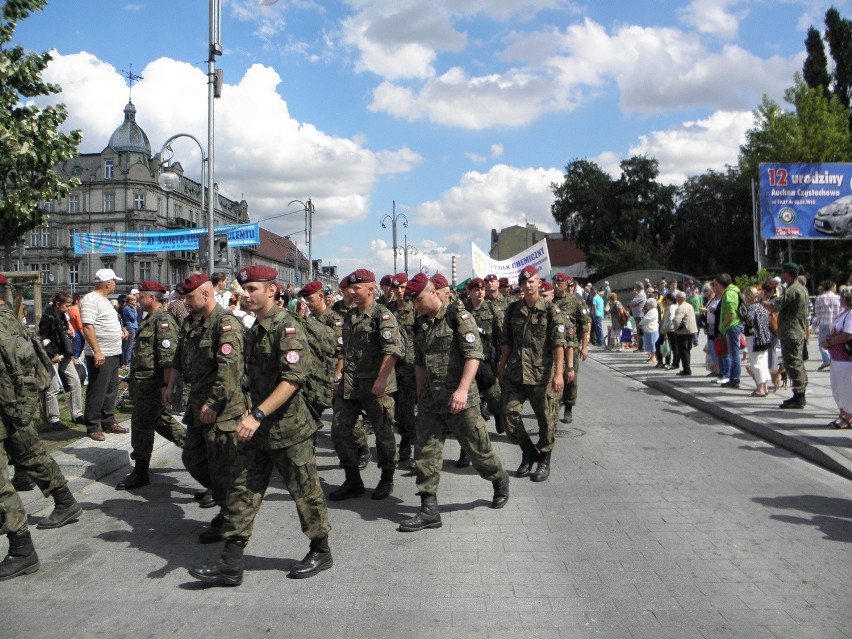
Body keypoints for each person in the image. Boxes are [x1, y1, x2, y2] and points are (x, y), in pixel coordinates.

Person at [190, 266, 332, 585]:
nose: (245, 294)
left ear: (272, 290)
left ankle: (321, 549)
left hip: (290, 427)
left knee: (304, 491)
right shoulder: (255, 329)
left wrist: (256, 415)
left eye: (252, 288)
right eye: (243, 288)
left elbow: (293, 379)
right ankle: (231, 561)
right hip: (261, 428)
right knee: (243, 489)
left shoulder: (288, 327)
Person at [397, 274, 509, 532]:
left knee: (479, 451)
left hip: (461, 399)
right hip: (430, 401)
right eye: (413, 302)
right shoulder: (420, 324)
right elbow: (419, 363)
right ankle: (429, 510)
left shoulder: (459, 317)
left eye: (419, 299)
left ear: (434, 292)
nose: (416, 306)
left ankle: (499, 479)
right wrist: (418, 394)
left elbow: (473, 355)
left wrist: (461, 390)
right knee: (425, 452)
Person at [0, 274, 83, 581]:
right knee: (32, 456)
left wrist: (16, 411)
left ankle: (21, 550)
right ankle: (66, 501)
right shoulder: (10, 319)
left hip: (8, 408)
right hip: (13, 408)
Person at [163, 274, 248, 543]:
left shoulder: (225, 325)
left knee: (223, 465)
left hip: (222, 410)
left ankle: (231, 519)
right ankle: (229, 503)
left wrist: (214, 403)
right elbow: (179, 358)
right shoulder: (191, 323)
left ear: (206, 294)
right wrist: (170, 385)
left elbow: (229, 372)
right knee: (193, 458)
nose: (185, 302)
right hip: (198, 405)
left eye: (189, 297)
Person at [328, 269, 404, 501]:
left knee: (383, 435)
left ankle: (386, 478)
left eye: (356, 288)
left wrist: (381, 379)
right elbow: (345, 351)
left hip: (375, 387)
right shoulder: (350, 316)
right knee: (339, 431)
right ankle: (353, 480)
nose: (351, 292)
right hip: (350, 386)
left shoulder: (382, 316)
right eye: (350, 288)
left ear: (370, 290)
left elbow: (392, 350)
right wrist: (338, 377)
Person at [499, 266, 568, 483]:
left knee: (546, 421)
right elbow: (507, 340)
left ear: (539, 283)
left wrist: (559, 374)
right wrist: (502, 363)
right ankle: (528, 451)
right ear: (520, 284)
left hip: (542, 375)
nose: (528, 285)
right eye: (524, 282)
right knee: (508, 414)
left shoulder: (551, 311)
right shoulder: (512, 310)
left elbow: (559, 344)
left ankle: (544, 458)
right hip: (516, 373)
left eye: (532, 282)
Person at [116, 281, 186, 490]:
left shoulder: (163, 321)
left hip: (153, 385)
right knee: (164, 423)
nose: (138, 299)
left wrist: (166, 385)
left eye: (142, 296)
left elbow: (168, 357)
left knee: (141, 426)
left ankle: (140, 472)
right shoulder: (150, 319)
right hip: (145, 384)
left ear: (152, 298)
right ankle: (197, 449)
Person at [79, 269, 129, 441]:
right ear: (108, 283)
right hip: (101, 352)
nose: (115, 284)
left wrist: (120, 330)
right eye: (114, 281)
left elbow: (107, 321)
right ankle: (93, 425)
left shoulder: (104, 300)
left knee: (111, 388)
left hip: (113, 351)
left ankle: (108, 420)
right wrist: (97, 350)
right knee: (98, 389)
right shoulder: (91, 299)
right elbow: (87, 326)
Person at [463, 277, 506, 440]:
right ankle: (471, 441)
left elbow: (501, 336)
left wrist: (502, 360)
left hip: (488, 360)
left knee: (493, 395)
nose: (480, 292)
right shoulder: (464, 310)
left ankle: (498, 414)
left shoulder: (492, 309)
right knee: (472, 398)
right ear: (470, 292)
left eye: (482, 289)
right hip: (469, 359)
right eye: (476, 290)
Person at [385, 274, 417, 465]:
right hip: (391, 366)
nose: (400, 291)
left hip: (410, 366)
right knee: (394, 408)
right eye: (396, 288)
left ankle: (406, 441)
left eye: (403, 287)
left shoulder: (415, 308)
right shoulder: (388, 310)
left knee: (406, 408)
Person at [39, 291, 83, 427]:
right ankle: (54, 418)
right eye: (67, 305)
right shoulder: (47, 317)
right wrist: (52, 354)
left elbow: (61, 331)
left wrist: (68, 332)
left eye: (70, 305)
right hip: (53, 355)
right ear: (58, 304)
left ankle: (77, 413)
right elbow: (43, 337)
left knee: (75, 380)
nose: (69, 308)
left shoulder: (63, 316)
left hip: (64, 352)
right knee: (54, 386)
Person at [552, 273, 588, 425]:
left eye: (560, 283)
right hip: (554, 346)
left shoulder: (576, 301)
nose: (556, 285)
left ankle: (568, 406)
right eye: (555, 282)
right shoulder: (549, 300)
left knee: (570, 377)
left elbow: (584, 325)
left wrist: (585, 347)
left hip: (571, 345)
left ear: (567, 284)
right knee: (553, 375)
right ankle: (553, 406)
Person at [774, 262, 810, 409]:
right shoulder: (800, 288)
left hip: (791, 332)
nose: (782, 275)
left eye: (783, 273)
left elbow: (776, 305)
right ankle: (798, 394)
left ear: (787, 274)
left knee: (792, 363)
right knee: (796, 363)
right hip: (796, 331)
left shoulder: (792, 289)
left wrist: (762, 301)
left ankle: (799, 396)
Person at [822, 288, 852, 428]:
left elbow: (848, 335)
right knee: (837, 387)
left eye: (842, 297)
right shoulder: (843, 313)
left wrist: (830, 342)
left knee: (846, 388)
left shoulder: (851, 314)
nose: (839, 299)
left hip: (846, 358)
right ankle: (842, 414)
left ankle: (849, 416)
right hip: (836, 357)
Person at [716, 273, 744, 389]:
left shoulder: (729, 294)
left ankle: (734, 379)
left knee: (734, 355)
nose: (717, 287)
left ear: (722, 284)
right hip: (735, 325)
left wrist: (722, 325)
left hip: (732, 326)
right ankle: (734, 378)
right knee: (733, 354)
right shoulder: (734, 291)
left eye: (717, 284)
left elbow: (731, 313)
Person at [743, 286, 771, 397]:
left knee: (756, 364)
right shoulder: (762, 306)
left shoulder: (751, 308)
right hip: (764, 338)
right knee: (763, 363)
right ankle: (765, 387)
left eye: (746, 296)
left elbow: (749, 321)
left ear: (750, 296)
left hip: (754, 338)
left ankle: (760, 389)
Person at [815, 280, 841, 372]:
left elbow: (817, 312)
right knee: (834, 342)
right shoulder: (838, 297)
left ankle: (826, 360)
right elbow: (841, 310)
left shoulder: (819, 298)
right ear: (833, 287)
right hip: (835, 323)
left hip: (824, 322)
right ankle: (834, 360)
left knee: (822, 343)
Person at [673, 291, 697, 376]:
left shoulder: (681, 308)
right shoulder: (690, 306)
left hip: (683, 332)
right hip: (691, 330)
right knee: (687, 350)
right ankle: (687, 368)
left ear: (679, 299)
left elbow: (676, 320)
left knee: (683, 351)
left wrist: (676, 329)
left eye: (676, 297)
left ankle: (686, 369)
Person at [639, 298, 659, 365]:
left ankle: (653, 358)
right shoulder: (651, 311)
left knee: (652, 344)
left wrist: (640, 323)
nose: (646, 306)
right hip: (648, 330)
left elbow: (646, 319)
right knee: (649, 344)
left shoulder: (653, 311)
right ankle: (651, 357)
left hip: (652, 330)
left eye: (647, 305)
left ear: (651, 305)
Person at [121, 294, 138, 367]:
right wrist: (135, 310)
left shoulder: (130, 308)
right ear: (130, 301)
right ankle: (127, 361)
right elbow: (133, 317)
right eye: (134, 300)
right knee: (129, 345)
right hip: (130, 327)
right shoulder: (127, 308)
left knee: (132, 344)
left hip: (134, 327)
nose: (135, 302)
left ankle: (129, 359)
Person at [629, 282, 647, 352]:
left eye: (635, 287)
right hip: (638, 315)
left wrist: (631, 303)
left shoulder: (640, 294)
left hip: (639, 315)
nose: (634, 288)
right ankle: (641, 347)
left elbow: (632, 304)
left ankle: (641, 348)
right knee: (639, 332)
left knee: (640, 332)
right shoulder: (639, 294)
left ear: (638, 287)